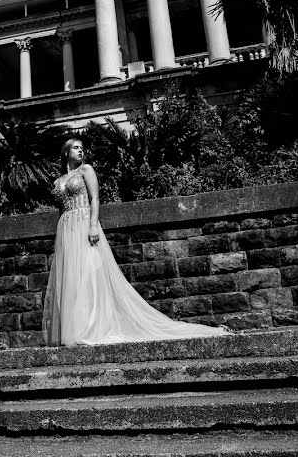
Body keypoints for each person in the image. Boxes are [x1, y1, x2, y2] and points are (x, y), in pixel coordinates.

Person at [43, 138, 230, 346]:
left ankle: (89, 328)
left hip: (83, 222)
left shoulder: (86, 170)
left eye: (82, 148)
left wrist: (93, 225)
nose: (81, 151)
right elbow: (60, 209)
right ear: (66, 152)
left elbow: (95, 198)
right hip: (65, 228)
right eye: (76, 147)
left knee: (88, 275)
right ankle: (73, 329)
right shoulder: (57, 181)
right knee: (70, 279)